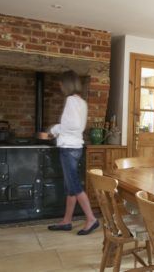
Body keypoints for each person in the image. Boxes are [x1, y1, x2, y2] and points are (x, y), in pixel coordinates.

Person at [47, 70, 99, 235]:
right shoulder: (82, 102)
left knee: (75, 185)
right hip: (75, 146)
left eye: (62, 84)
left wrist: (53, 131)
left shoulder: (70, 100)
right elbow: (77, 126)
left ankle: (91, 219)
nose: (60, 86)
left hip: (68, 148)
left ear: (66, 84)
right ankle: (67, 221)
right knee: (70, 186)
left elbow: (71, 125)